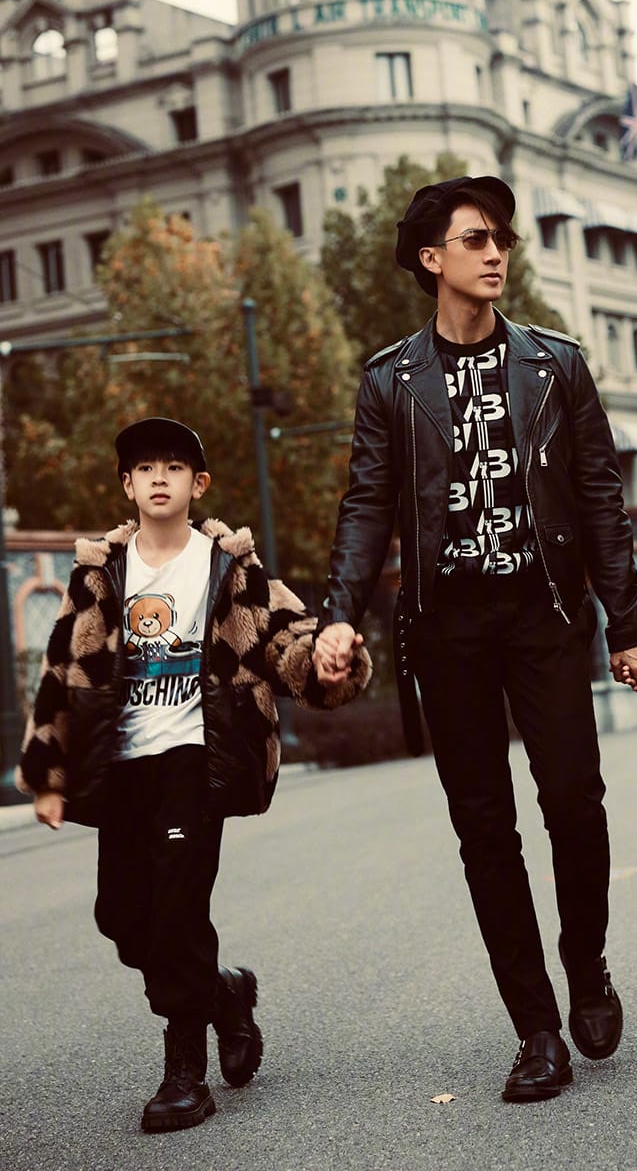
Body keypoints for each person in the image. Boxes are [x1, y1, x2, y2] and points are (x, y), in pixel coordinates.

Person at [314, 174, 637, 1102]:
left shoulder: (556, 364)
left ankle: (585, 966)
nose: (495, 251)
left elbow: (599, 499)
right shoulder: (390, 380)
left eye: (500, 238)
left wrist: (627, 624)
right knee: (484, 830)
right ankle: (536, 1028)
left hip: (543, 615)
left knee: (574, 803)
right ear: (432, 259)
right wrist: (339, 611)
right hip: (448, 629)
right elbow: (366, 505)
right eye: (475, 239)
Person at [17, 418, 370, 1134]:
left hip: (193, 760)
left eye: (173, 467)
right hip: (123, 768)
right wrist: (48, 774)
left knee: (177, 912)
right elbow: (62, 670)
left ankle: (185, 1073)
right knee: (121, 917)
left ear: (197, 484)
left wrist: (328, 663)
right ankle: (223, 993)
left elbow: (283, 637)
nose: (158, 477)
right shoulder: (100, 574)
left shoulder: (228, 568)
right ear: (127, 485)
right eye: (144, 468)